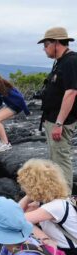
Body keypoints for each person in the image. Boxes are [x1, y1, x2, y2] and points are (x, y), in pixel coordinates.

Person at [37, 27, 77, 192]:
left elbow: (71, 92)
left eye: (46, 44)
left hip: (61, 122)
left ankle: (66, 198)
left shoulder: (70, 61)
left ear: (56, 43)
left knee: (61, 159)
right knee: (55, 158)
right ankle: (59, 194)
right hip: (52, 119)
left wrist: (59, 123)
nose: (44, 49)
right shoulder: (60, 62)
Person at [17, 158, 77, 255]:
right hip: (64, 249)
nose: (23, 188)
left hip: (72, 253)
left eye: (25, 185)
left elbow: (16, 219)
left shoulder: (54, 207)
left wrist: (28, 196)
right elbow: (17, 212)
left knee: (25, 224)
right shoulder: (50, 201)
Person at [0, 71, 30, 152]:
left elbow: (20, 98)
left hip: (15, 106)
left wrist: (26, 111)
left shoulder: (3, 87)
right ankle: (3, 142)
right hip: (9, 105)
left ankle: (6, 144)